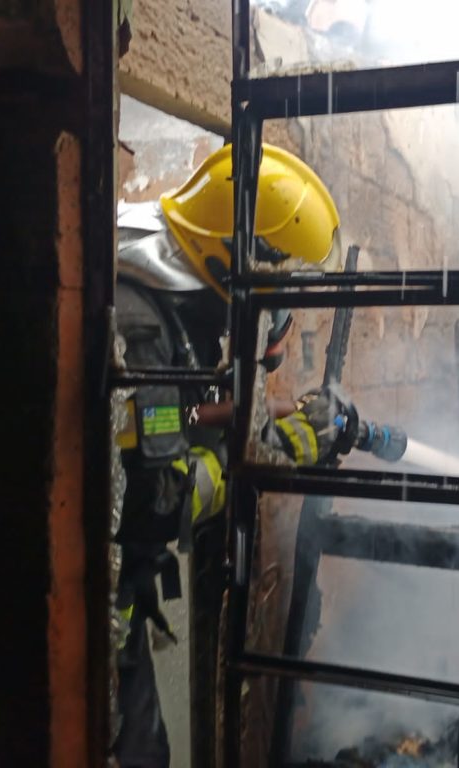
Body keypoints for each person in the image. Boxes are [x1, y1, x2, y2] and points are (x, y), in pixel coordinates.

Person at [111, 142, 353, 767]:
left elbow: (178, 421)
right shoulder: (140, 322)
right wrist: (253, 455)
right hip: (89, 608)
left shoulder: (176, 294)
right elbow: (157, 497)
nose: (277, 315)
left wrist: (258, 429)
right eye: (271, 290)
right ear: (225, 264)